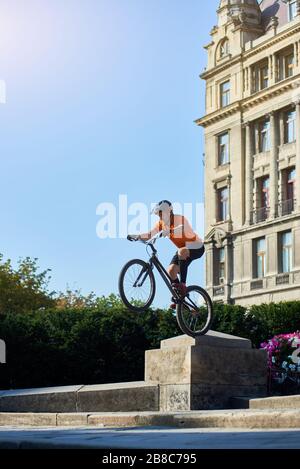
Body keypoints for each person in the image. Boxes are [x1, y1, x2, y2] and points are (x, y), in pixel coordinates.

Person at [129, 200, 205, 308]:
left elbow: (182, 229)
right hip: (182, 251)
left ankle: (183, 285)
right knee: (171, 270)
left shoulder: (180, 219)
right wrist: (137, 236)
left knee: (181, 251)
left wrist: (169, 231)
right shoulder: (161, 224)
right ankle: (181, 299)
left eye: (161, 213)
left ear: (169, 211)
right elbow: (150, 234)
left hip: (197, 246)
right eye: (158, 214)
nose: (160, 216)